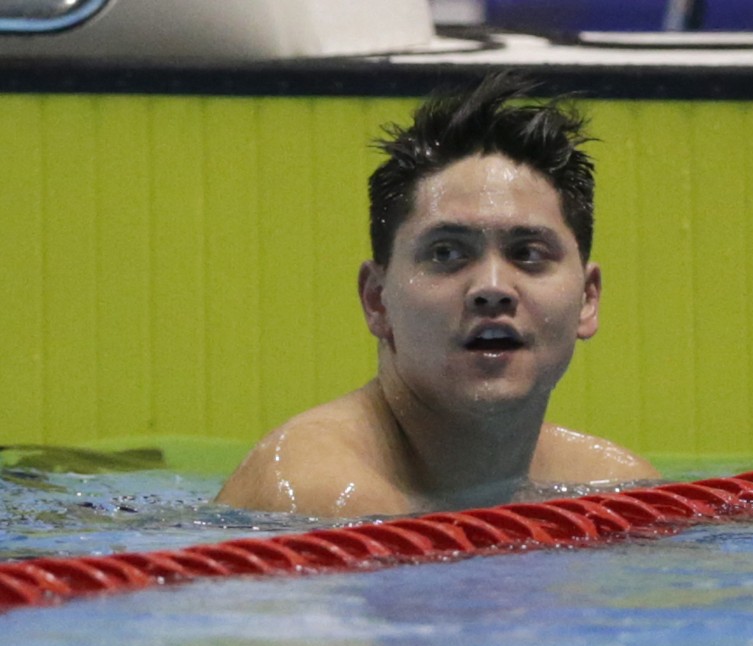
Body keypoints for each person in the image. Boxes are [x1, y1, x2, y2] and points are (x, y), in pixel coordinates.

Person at [215, 73, 659, 518]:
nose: (491, 288)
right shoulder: (322, 494)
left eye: (528, 253)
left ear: (587, 299)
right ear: (376, 300)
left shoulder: (612, 486)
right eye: (446, 253)